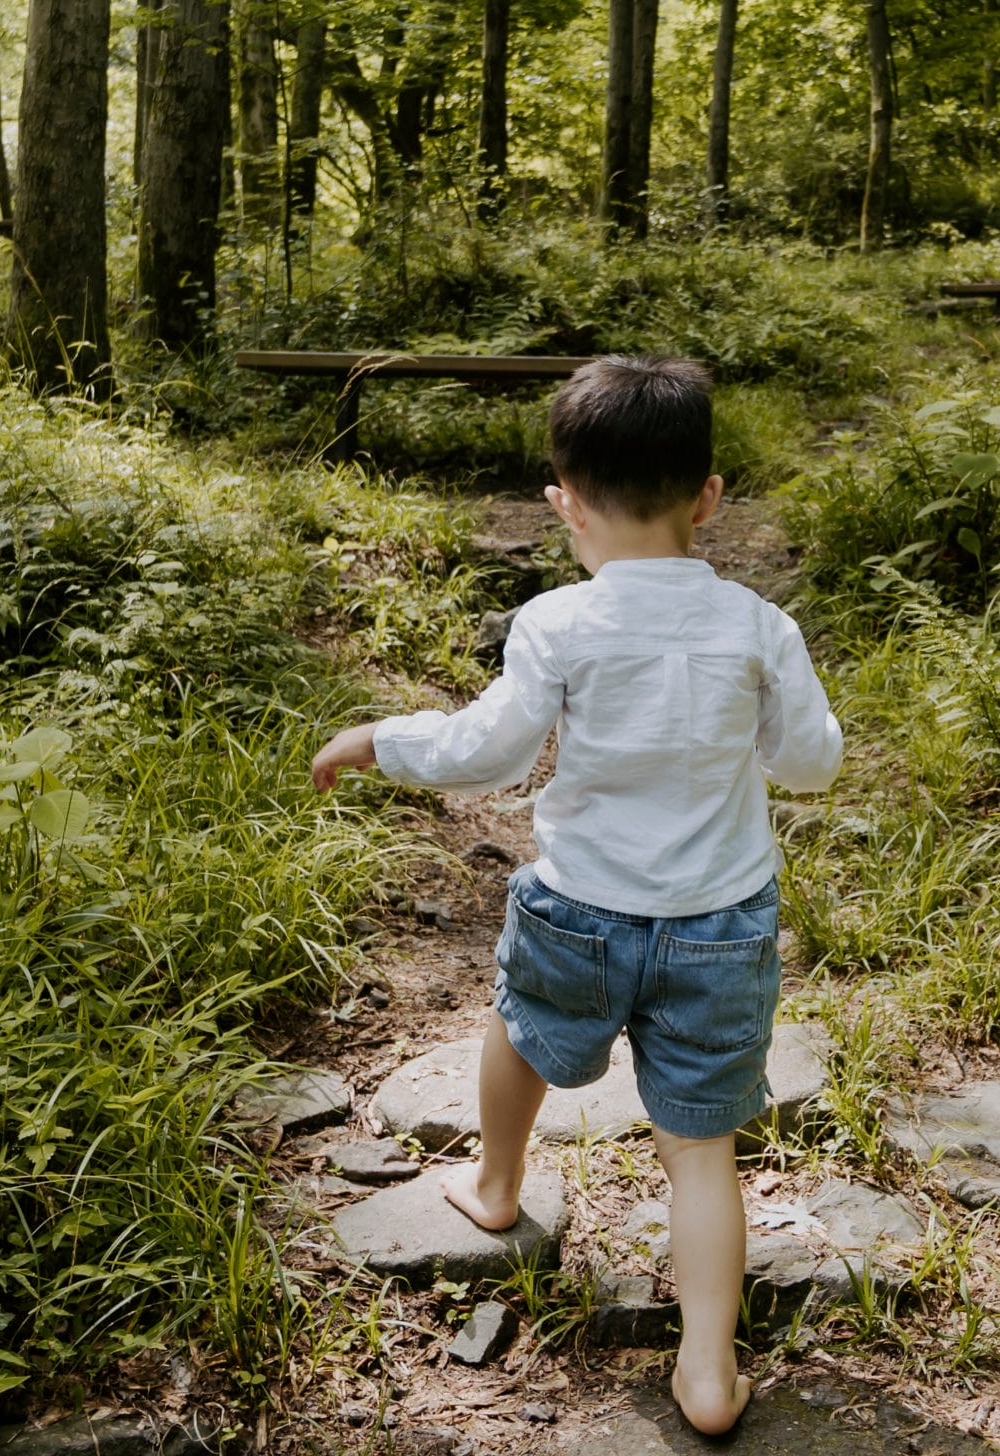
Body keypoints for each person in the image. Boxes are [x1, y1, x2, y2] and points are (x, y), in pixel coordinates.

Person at [311, 354, 843, 1435]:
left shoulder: (556, 623)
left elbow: (490, 750)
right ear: (708, 498)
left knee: (521, 1024)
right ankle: (703, 1371)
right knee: (700, 1147)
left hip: (579, 909)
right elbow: (810, 765)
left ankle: (499, 1184)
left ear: (563, 504)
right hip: (719, 923)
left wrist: (381, 738)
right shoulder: (756, 627)